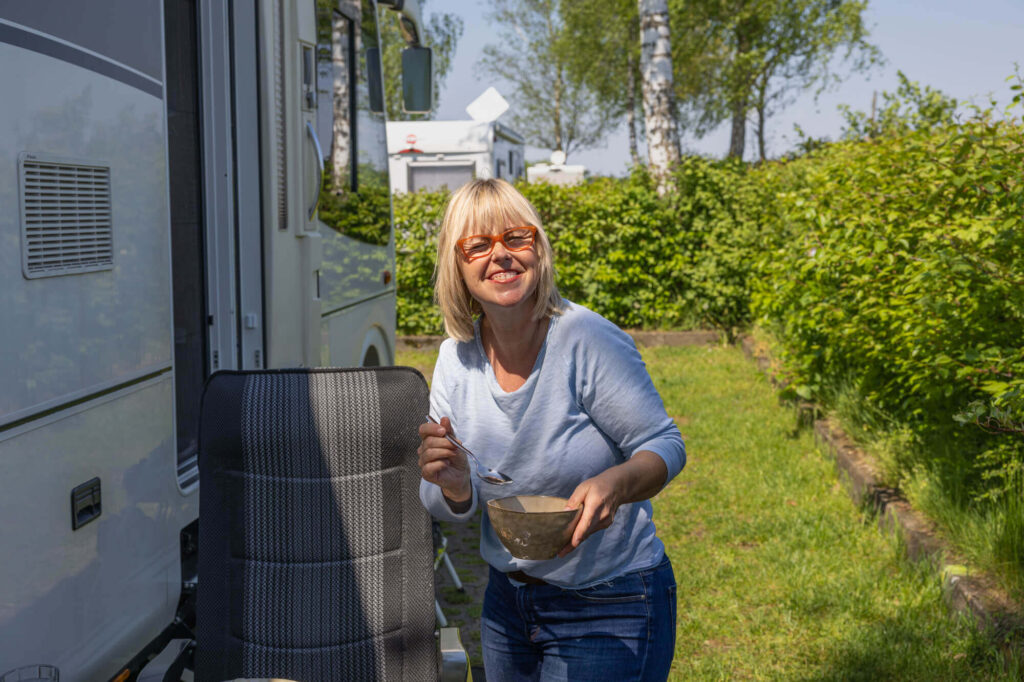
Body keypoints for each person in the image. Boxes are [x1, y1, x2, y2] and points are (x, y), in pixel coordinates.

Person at [417, 178, 685, 681]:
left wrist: (615, 485)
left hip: (610, 598)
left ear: (537, 248)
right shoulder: (457, 358)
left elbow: (664, 445)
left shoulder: (585, 339)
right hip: (508, 600)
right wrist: (452, 484)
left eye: (516, 238)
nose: (500, 256)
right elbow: (446, 504)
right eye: (478, 245)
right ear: (458, 267)